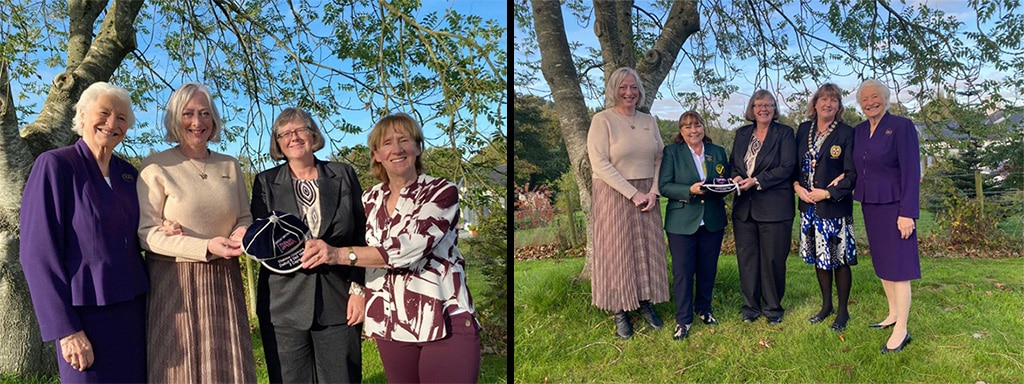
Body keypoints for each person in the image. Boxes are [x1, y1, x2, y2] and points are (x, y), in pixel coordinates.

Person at [299, 113, 480, 383]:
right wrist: (359, 290)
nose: (396, 149)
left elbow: (407, 249)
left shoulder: (441, 191)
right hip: (390, 324)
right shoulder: (369, 199)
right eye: (387, 143)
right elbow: (362, 243)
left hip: (444, 318)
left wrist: (337, 254)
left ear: (417, 148)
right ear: (377, 154)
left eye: (404, 140)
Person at [20, 82, 149, 382]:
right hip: (84, 319)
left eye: (121, 118)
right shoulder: (55, 166)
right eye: (103, 113)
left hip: (133, 315)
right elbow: (37, 253)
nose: (112, 123)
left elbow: (142, 233)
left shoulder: (129, 174)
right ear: (81, 115)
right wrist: (65, 329)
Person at [137, 82, 256, 381]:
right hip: (174, 282)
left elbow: (244, 215)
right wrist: (203, 247)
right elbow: (147, 233)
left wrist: (241, 233)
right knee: (179, 369)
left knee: (225, 365)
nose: (197, 121)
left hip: (224, 277)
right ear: (175, 119)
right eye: (188, 113)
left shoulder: (229, 165)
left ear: (214, 119)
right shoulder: (156, 166)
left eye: (204, 113)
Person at [249, 107, 367, 383]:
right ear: (277, 142)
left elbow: (363, 235)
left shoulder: (344, 174)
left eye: (301, 129)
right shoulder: (265, 183)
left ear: (313, 134)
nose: (294, 137)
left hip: (339, 300)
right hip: (282, 305)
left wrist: (359, 290)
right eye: (285, 133)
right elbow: (259, 238)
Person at [586, 66, 669, 339]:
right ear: (614, 90)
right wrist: (632, 193)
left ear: (640, 91)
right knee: (618, 251)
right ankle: (621, 310)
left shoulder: (649, 120)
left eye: (633, 87)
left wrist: (653, 192)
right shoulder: (603, 120)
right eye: (623, 87)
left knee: (646, 249)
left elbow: (660, 157)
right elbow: (599, 162)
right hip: (614, 192)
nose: (629, 92)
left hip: (648, 191)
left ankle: (645, 303)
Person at [852, 79, 921, 354]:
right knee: (882, 264)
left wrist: (907, 213)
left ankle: (902, 330)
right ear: (860, 104)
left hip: (896, 207)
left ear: (886, 98)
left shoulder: (902, 127)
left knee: (899, 267)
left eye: (875, 97)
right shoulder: (858, 131)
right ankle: (892, 314)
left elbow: (911, 172)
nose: (870, 102)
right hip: (871, 204)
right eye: (865, 99)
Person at [658, 111, 730, 340]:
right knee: (683, 272)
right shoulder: (672, 152)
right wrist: (688, 190)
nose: (693, 130)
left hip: (712, 219)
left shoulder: (717, 152)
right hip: (681, 222)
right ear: (681, 131)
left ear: (703, 128)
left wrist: (727, 187)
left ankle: (703, 309)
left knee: (708, 269)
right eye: (687, 126)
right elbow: (664, 186)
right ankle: (683, 319)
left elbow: (723, 181)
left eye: (697, 125)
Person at [792, 83, 858, 332]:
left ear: (839, 106)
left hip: (834, 208)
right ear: (815, 103)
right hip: (808, 208)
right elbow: (793, 166)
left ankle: (842, 311)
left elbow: (851, 174)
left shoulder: (846, 133)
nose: (828, 104)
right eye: (824, 99)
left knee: (838, 259)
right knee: (820, 258)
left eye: (833, 100)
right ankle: (826, 306)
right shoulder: (803, 130)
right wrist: (797, 187)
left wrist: (828, 193)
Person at [730, 89, 797, 324]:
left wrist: (757, 181)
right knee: (747, 259)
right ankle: (750, 307)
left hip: (775, 208)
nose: (763, 109)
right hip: (744, 209)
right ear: (751, 109)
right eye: (758, 105)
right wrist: (736, 178)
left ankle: (773, 308)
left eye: (768, 105)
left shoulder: (785, 134)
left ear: (774, 109)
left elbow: (788, 167)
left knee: (773, 260)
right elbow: (734, 166)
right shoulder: (741, 134)